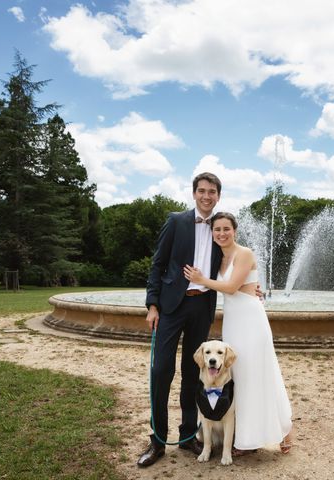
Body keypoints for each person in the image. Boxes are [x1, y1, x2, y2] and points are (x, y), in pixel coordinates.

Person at [183, 211, 293, 456]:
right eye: (217, 229)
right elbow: (233, 285)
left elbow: (232, 287)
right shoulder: (218, 257)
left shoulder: (244, 253)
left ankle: (281, 430)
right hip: (233, 320)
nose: (221, 233)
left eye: (226, 229)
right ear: (212, 233)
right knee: (240, 378)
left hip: (251, 320)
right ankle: (245, 437)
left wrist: (202, 279)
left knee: (258, 374)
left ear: (235, 230)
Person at [137, 172, 224, 468]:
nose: (206, 196)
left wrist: (252, 287)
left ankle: (188, 435)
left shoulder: (221, 227)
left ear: (218, 196)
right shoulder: (176, 221)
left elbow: (232, 265)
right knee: (161, 370)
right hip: (171, 306)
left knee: (194, 373)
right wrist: (152, 304)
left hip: (202, 307)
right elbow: (157, 264)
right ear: (194, 193)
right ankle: (157, 441)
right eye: (202, 191)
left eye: (212, 192)